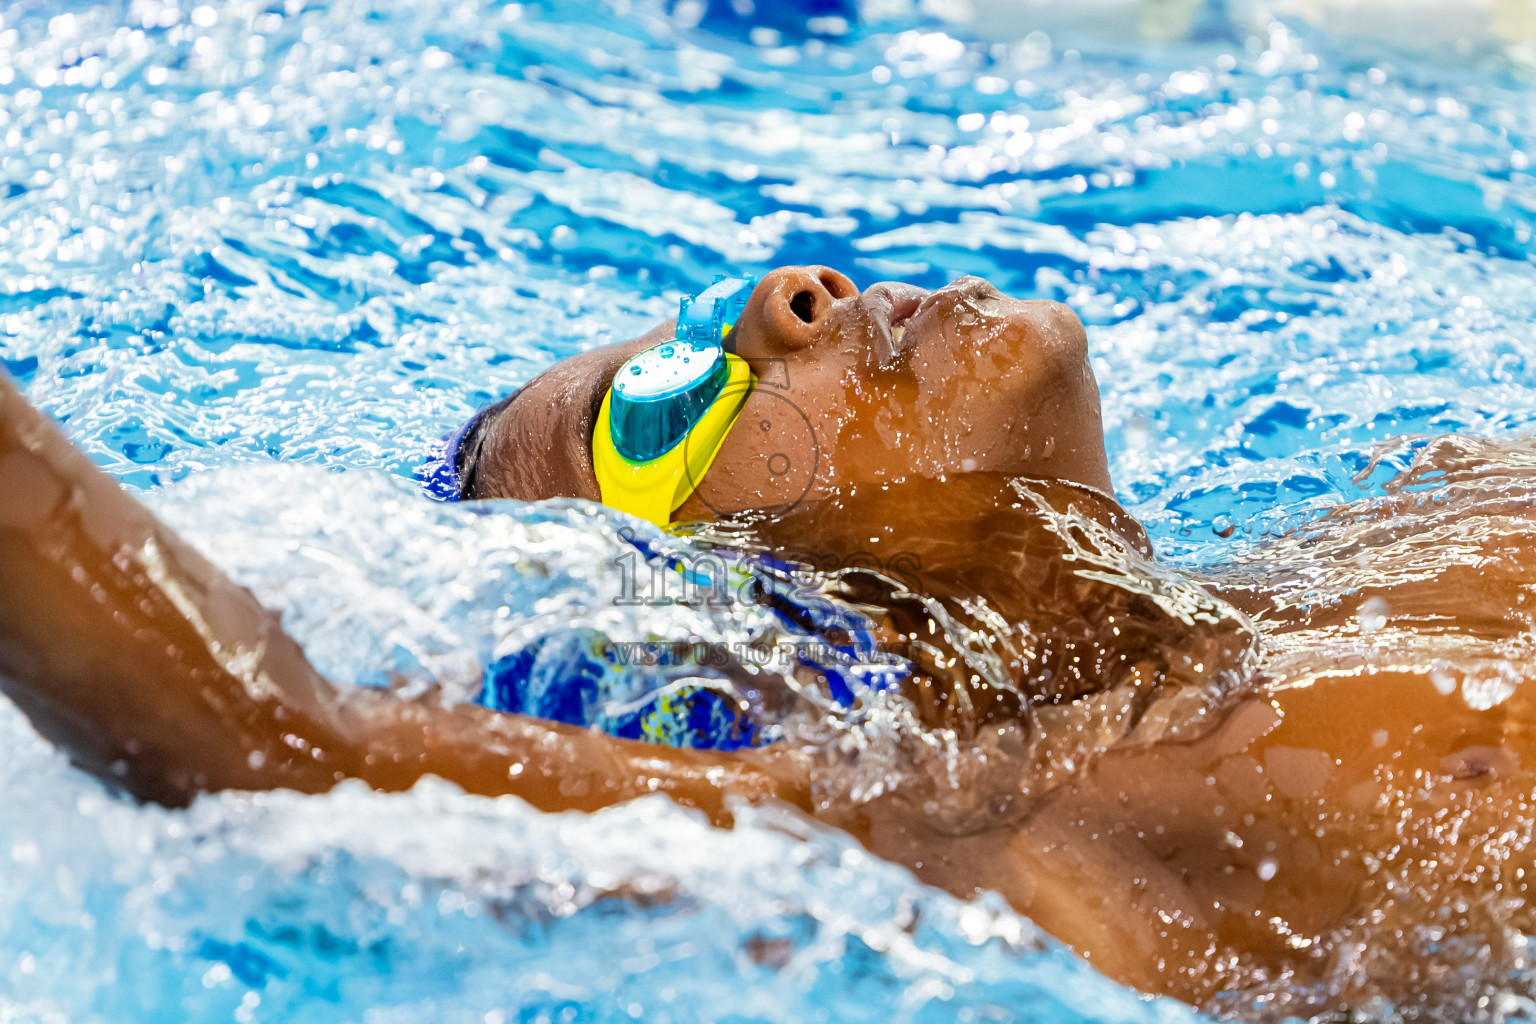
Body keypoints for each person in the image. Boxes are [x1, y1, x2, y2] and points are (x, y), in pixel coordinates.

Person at [2, 265, 1533, 1017]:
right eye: (666, 404)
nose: (790, 297)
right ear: (714, 614)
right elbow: (266, 739)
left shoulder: (1430, 507)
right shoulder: (1013, 831)